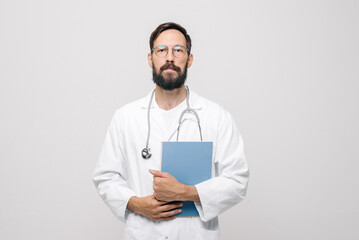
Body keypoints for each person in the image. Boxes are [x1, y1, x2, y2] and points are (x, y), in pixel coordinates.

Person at [93, 22, 249, 240]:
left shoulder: (216, 116)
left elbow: (237, 180)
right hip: (143, 232)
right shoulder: (125, 117)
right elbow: (105, 177)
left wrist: (187, 192)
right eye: (161, 50)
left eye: (178, 50)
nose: (169, 58)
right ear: (151, 58)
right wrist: (136, 204)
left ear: (189, 59)